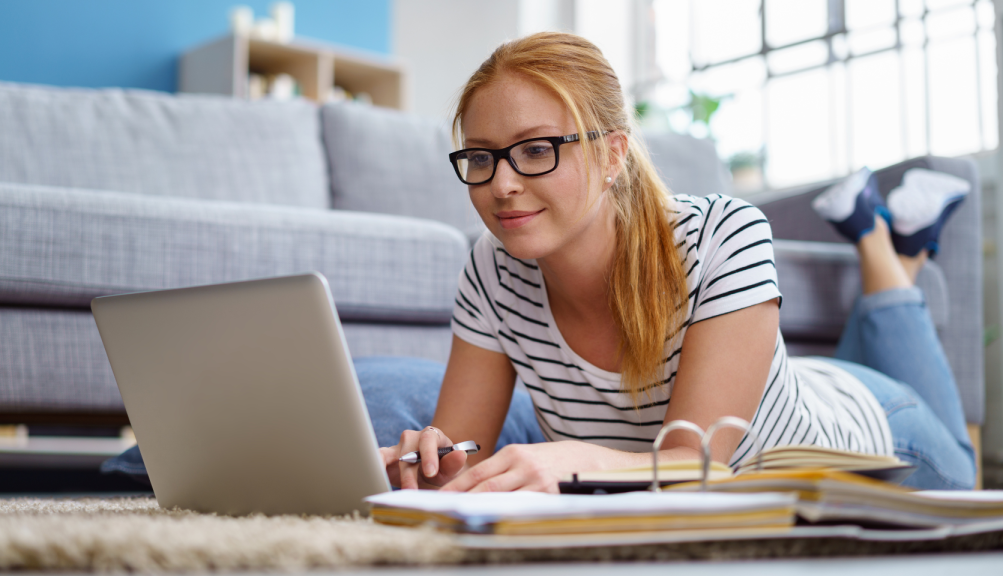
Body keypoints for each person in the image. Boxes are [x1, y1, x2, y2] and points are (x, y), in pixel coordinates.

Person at [372, 31, 977, 493]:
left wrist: (572, 461)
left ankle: (880, 242)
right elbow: (465, 460)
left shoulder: (723, 234)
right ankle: (898, 246)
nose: (501, 185)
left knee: (966, 463)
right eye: (480, 158)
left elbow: (700, 466)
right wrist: (432, 464)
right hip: (790, 390)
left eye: (536, 150)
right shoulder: (491, 268)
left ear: (612, 154)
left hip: (880, 438)